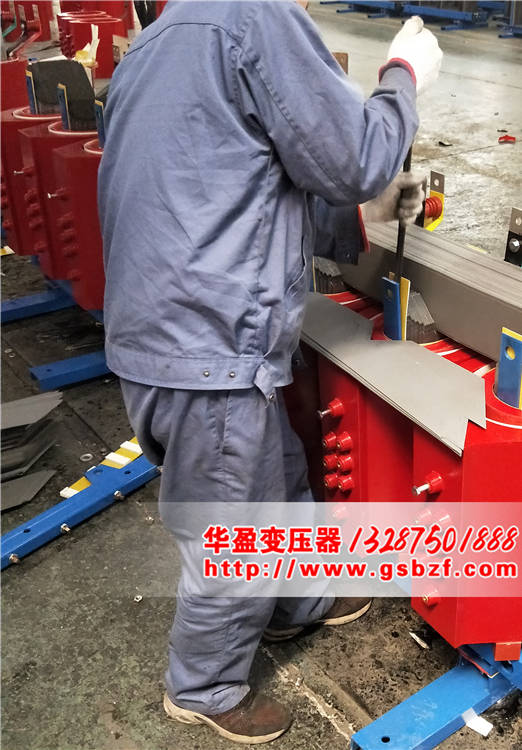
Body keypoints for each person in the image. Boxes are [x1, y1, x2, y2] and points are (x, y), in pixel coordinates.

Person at [98, 1, 442, 744]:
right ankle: (205, 685)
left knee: (275, 471)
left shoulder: (155, 44)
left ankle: (297, 601)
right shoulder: (253, 16)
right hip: (208, 346)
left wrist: (361, 214)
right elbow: (355, 159)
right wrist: (403, 78)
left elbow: (234, 187)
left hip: (158, 333)